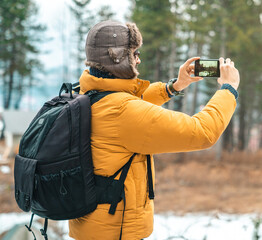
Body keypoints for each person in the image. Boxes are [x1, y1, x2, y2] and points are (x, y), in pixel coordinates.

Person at [68, 20, 240, 240]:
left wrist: (175, 86)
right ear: (119, 59)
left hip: (91, 226)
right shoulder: (124, 112)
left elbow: (128, 98)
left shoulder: (85, 93)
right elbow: (203, 132)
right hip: (116, 233)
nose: (139, 59)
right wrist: (228, 89)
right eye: (134, 53)